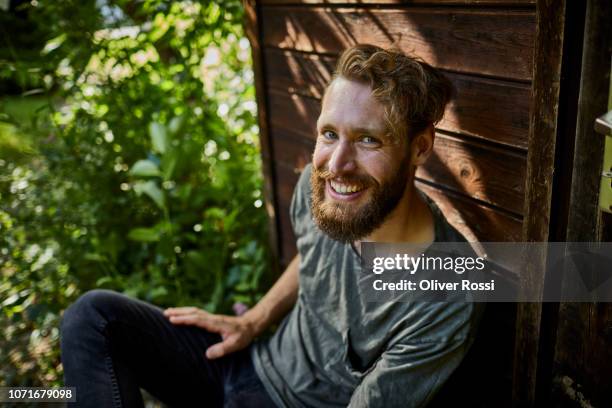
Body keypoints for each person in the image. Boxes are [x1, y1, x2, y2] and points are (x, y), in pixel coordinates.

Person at [60, 44, 482, 408]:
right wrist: (253, 320)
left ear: (419, 148)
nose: (336, 165)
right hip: (247, 367)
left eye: (368, 139)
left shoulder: (445, 290)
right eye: (329, 134)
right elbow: (314, 257)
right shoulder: (326, 192)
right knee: (93, 318)